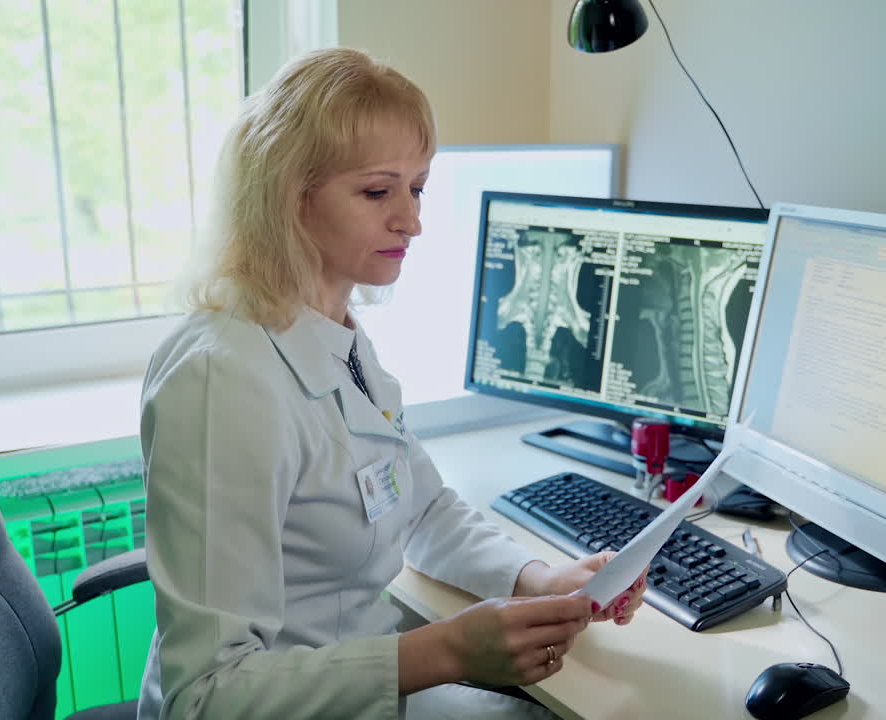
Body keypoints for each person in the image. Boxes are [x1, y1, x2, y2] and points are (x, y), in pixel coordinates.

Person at [136, 47, 647, 720]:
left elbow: (419, 506)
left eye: (418, 187)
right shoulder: (221, 382)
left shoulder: (332, 333)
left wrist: (539, 581)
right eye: (378, 191)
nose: (412, 220)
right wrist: (447, 653)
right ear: (290, 197)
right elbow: (205, 698)